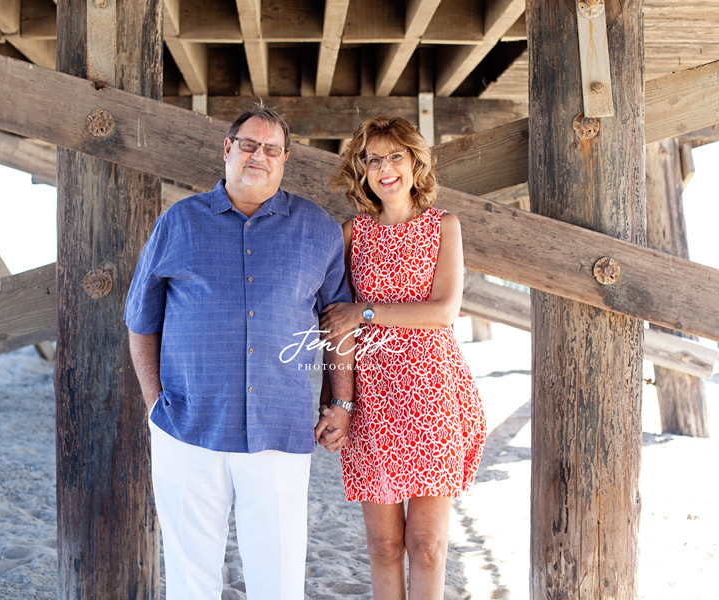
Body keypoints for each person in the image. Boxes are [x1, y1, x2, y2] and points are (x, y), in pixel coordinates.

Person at [124, 103, 355, 600]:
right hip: (188, 427)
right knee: (191, 578)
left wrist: (341, 401)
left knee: (278, 579)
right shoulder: (178, 223)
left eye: (271, 149)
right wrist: (153, 404)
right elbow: (140, 321)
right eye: (249, 144)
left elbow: (338, 325)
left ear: (285, 159)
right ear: (228, 149)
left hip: (280, 428)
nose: (259, 155)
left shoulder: (317, 229)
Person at [319, 116, 487, 599]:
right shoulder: (354, 232)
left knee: (428, 543)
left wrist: (365, 312)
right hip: (374, 400)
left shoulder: (444, 226)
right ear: (363, 169)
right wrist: (338, 402)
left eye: (396, 156)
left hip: (434, 394)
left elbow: (443, 312)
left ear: (416, 163)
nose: (385, 168)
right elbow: (336, 325)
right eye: (374, 159)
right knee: (383, 543)